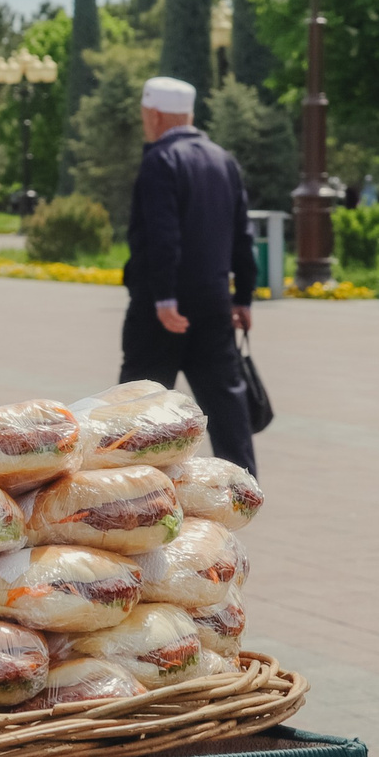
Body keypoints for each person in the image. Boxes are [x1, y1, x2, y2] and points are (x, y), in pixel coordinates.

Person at [119, 74, 258, 472]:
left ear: (156, 115)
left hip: (162, 312)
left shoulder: (160, 160)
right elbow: (241, 236)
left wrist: (164, 298)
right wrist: (243, 298)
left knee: (135, 408)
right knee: (226, 402)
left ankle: (132, 488)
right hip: (214, 305)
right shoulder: (222, 160)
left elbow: (163, 236)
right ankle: (243, 486)